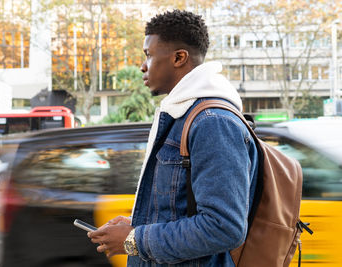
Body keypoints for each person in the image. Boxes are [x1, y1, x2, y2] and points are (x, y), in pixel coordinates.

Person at [88, 9, 259, 266]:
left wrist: (134, 239)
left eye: (149, 55)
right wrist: (137, 224)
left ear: (179, 57)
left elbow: (223, 227)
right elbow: (181, 208)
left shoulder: (213, 123)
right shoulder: (183, 114)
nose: (142, 66)